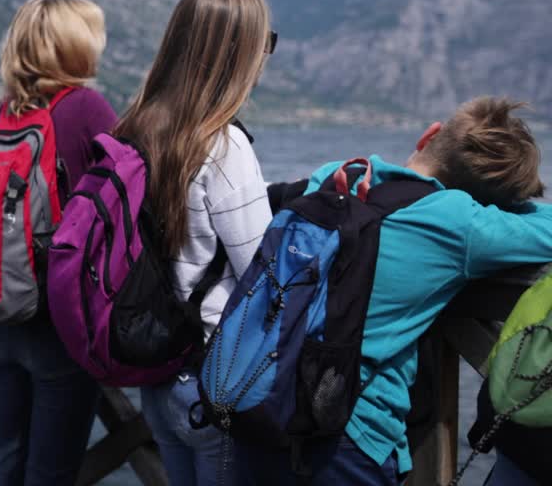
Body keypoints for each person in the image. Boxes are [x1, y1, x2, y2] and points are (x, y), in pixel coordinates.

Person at [232, 96, 551, 485]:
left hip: (259, 406)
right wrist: (506, 200)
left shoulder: (338, 176)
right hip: (350, 436)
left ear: (429, 134)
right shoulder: (459, 222)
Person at [111, 0, 277, 486]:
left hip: (161, 377)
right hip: (214, 381)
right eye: (264, 43)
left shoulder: (138, 126)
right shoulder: (222, 144)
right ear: (237, 52)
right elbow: (264, 271)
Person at [0, 0, 118, 486]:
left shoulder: (8, 111)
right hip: (60, 328)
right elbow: (135, 192)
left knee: (1, 465)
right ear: (75, 46)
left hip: (3, 320)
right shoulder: (85, 107)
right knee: (50, 475)